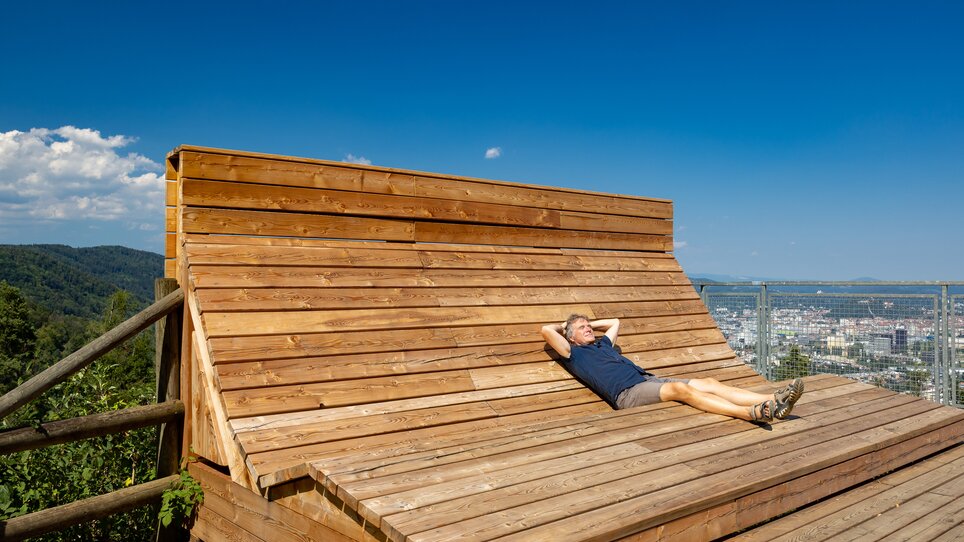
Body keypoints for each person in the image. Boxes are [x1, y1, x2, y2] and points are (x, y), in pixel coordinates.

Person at [541, 314, 804, 423]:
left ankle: (773, 399)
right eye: (582, 328)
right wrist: (568, 328)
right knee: (680, 388)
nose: (588, 329)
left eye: (589, 326)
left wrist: (587, 324)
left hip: (647, 380)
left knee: (709, 383)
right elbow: (546, 330)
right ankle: (749, 413)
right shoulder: (573, 353)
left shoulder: (603, 345)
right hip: (627, 394)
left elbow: (615, 321)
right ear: (570, 337)